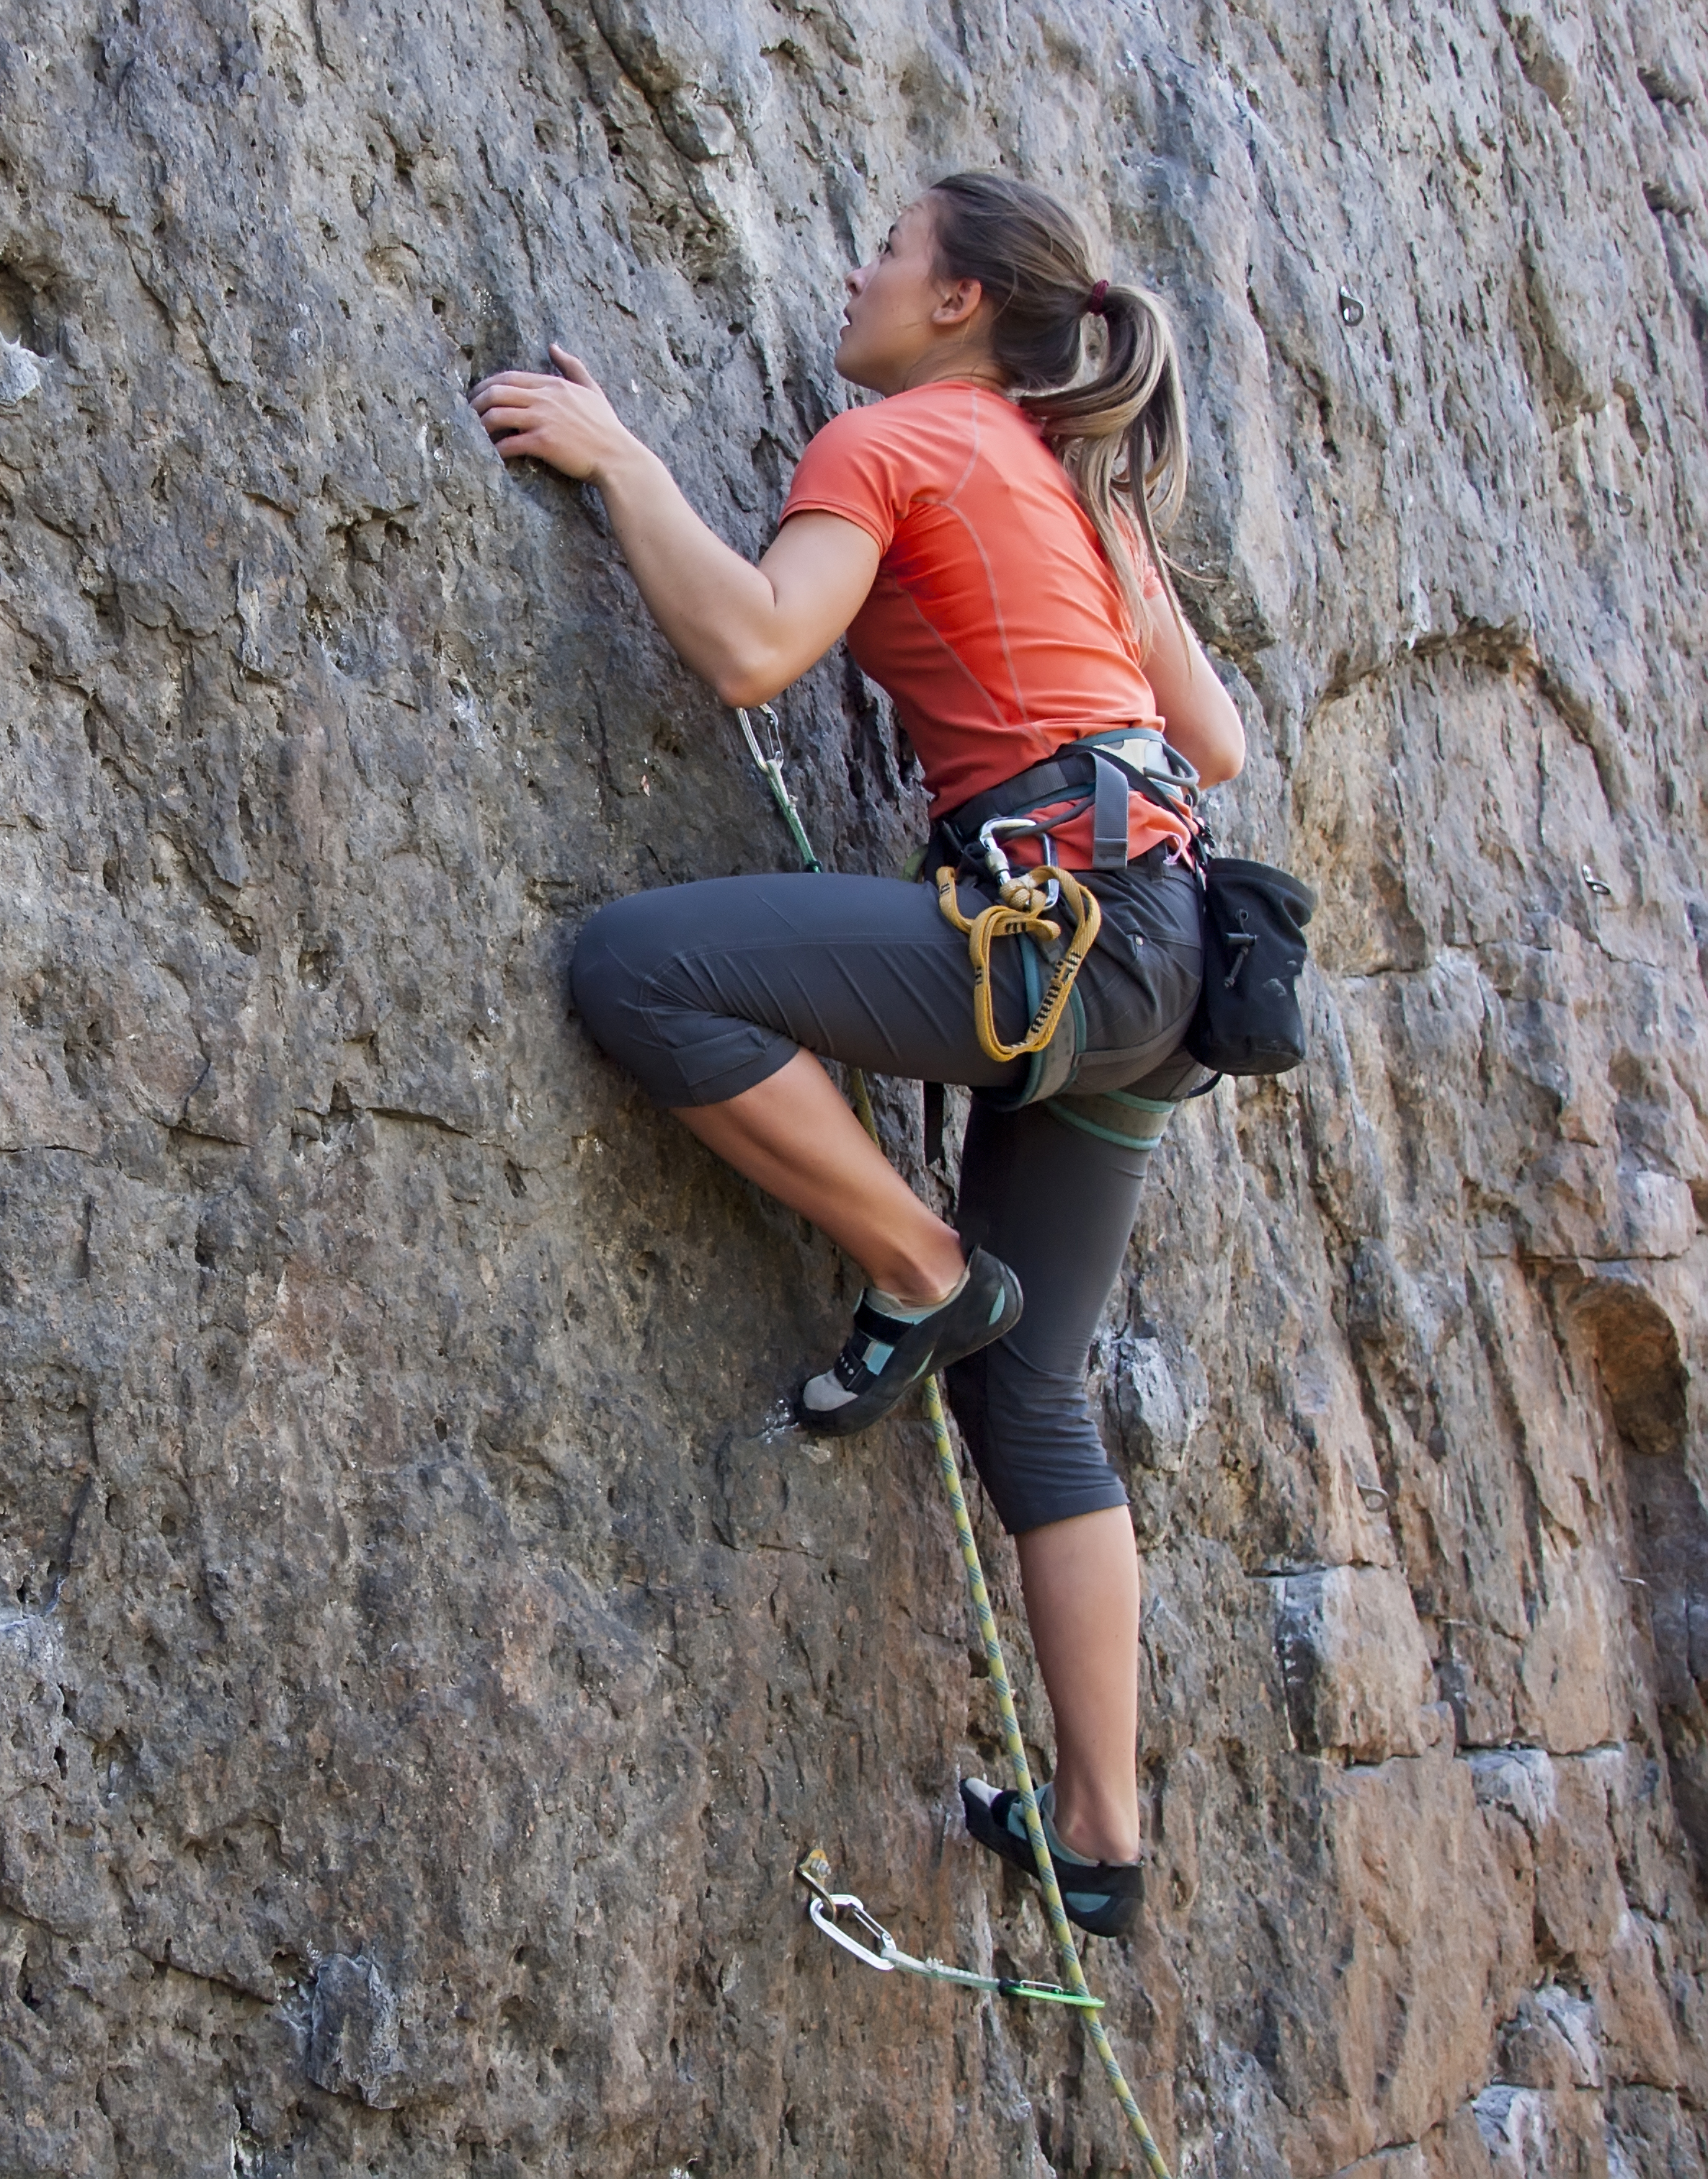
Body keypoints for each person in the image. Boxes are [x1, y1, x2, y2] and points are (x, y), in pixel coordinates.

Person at [470, 171, 1247, 1940]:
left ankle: (915, 1263)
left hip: (1063, 939)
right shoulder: (1072, 484)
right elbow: (1215, 734)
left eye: (888, 250)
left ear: (960, 305)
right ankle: (1103, 1836)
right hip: (1164, 954)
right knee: (1034, 1394)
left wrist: (622, 462)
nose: (858, 269)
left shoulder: (897, 438)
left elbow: (753, 645)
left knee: (641, 970)